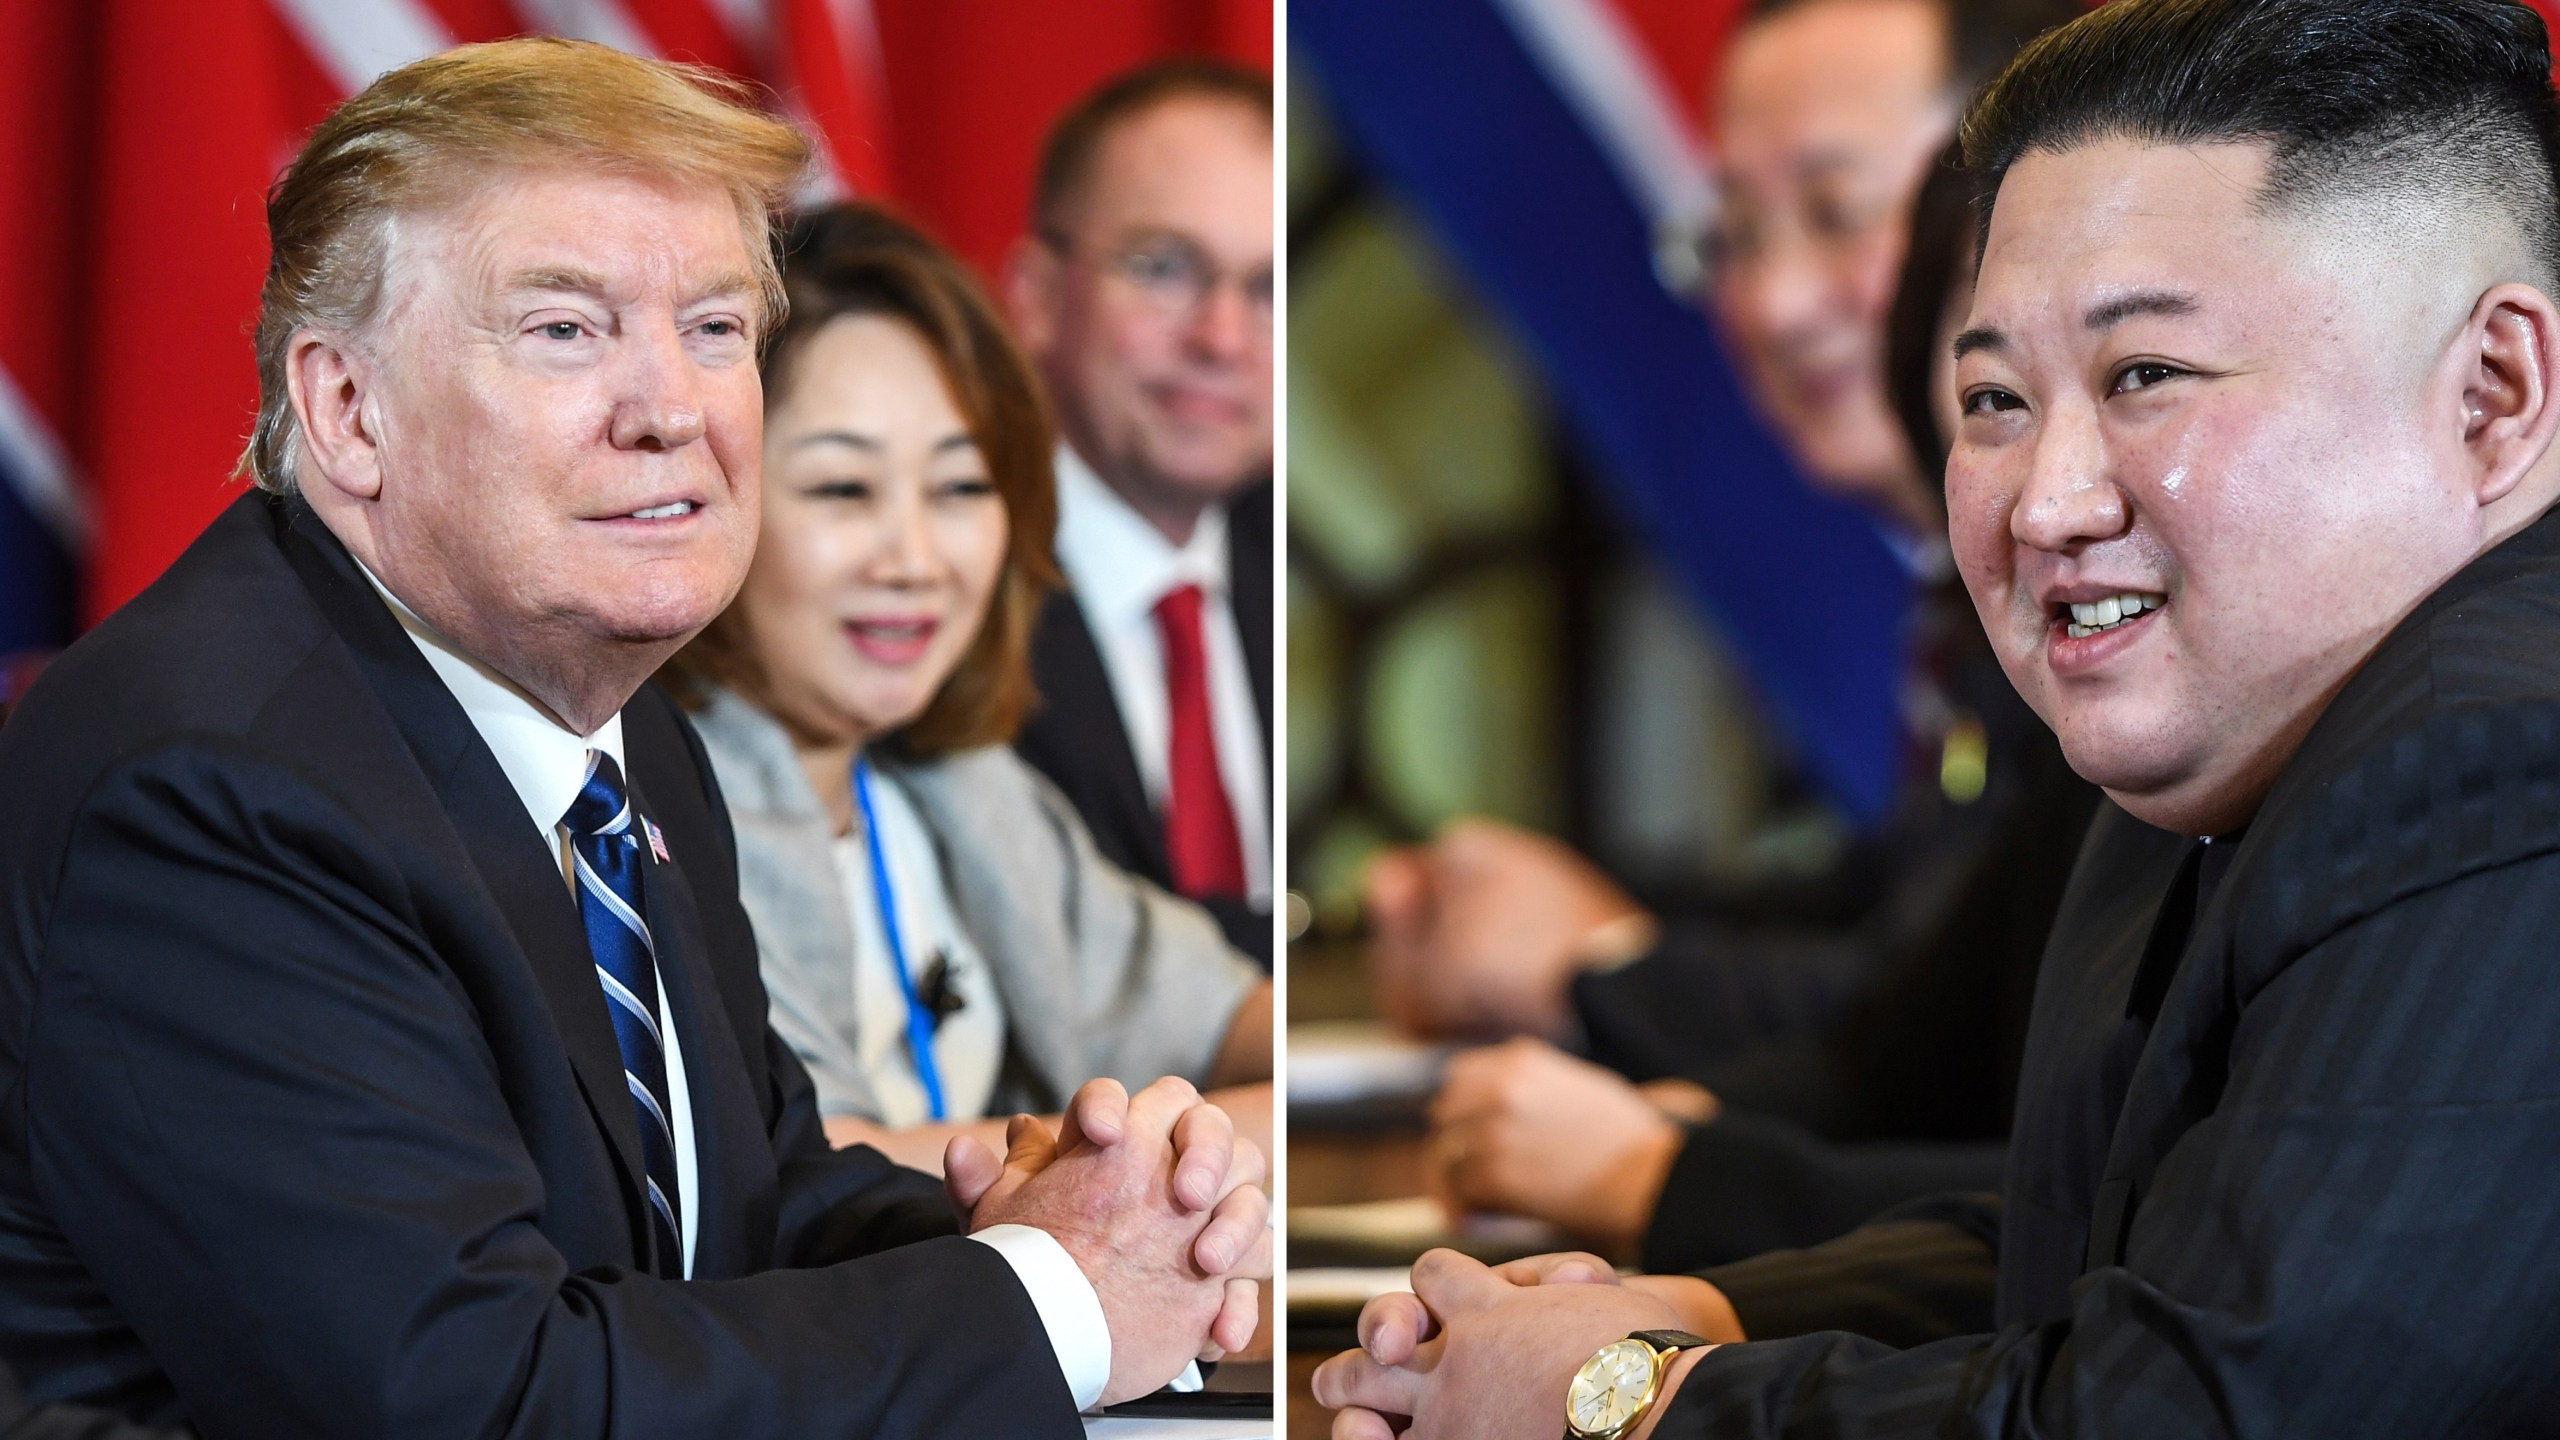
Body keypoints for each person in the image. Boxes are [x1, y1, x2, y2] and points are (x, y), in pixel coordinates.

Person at [1318, 0, 2560, 1433]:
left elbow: (2198, 1410)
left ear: (2494, 392)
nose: (2048, 502)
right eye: (1993, 397)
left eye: (2144, 376)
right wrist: (1692, 1315)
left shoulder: (2498, 766)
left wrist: (1634, 1403)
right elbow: (2092, 1245)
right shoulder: (2230, 725)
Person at [0, 39, 1266, 1436]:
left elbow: (754, 1207)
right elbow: (482, 1401)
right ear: (349, 411)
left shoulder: (615, 720)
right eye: (566, 329)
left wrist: (1060, 1231)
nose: (675, 410)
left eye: (716, 328)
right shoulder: (215, 789)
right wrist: (1054, 1300)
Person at [1392, 0, 2092, 1266]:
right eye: (1733, 235)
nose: (1768, 304)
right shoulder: (1977, 597)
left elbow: (2055, 1094)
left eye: (1836, 213)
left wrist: (1605, 975)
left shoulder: (2114, 594)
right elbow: (1916, 956)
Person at [662, 201, 1273, 1176]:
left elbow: (1223, 1013)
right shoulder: (654, 818)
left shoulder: (962, 788)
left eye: (959, 489)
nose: (914, 560)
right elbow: (810, 1168)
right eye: (842, 490)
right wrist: (1210, 1143)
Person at [1004, 59, 1277, 964]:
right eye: (1166, 268)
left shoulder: (1285, 572)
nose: (1222, 339)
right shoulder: (941, 585)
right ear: (1040, 297)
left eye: (1268, 289)